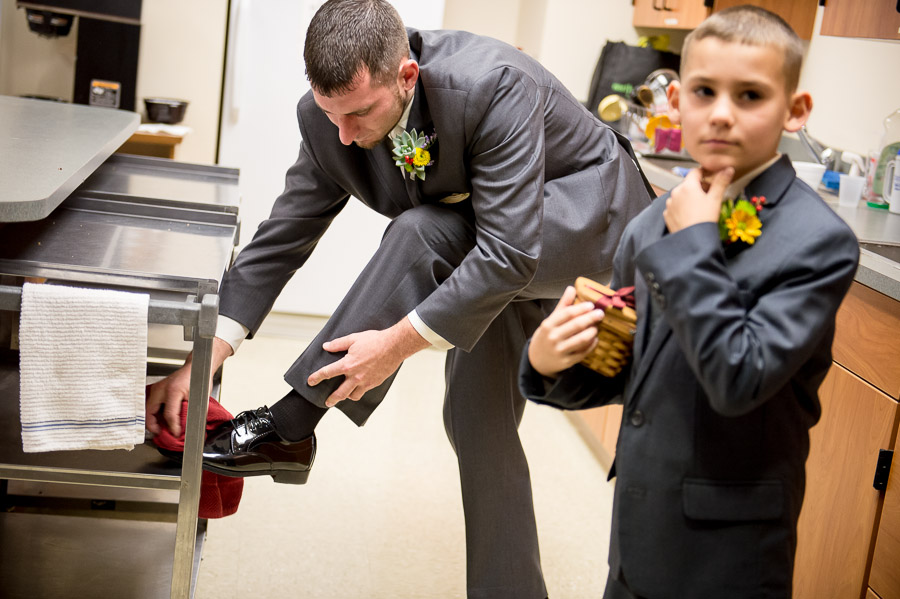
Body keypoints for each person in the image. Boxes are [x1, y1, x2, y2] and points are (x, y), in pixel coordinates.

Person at [146, 0, 652, 597]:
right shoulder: (327, 118)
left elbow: (510, 251)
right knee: (474, 424)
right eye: (331, 113)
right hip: (492, 245)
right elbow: (282, 238)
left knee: (421, 231)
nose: (345, 135)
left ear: (406, 76)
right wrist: (201, 364)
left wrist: (393, 345)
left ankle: (293, 421)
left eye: (359, 113)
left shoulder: (491, 83)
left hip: (589, 223)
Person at [519, 6, 859, 598]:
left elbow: (738, 377)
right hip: (635, 533)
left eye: (750, 95)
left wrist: (698, 240)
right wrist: (553, 362)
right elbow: (623, 371)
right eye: (705, 91)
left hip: (727, 554)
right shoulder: (651, 223)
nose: (722, 113)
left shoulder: (819, 243)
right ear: (677, 100)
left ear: (794, 111)